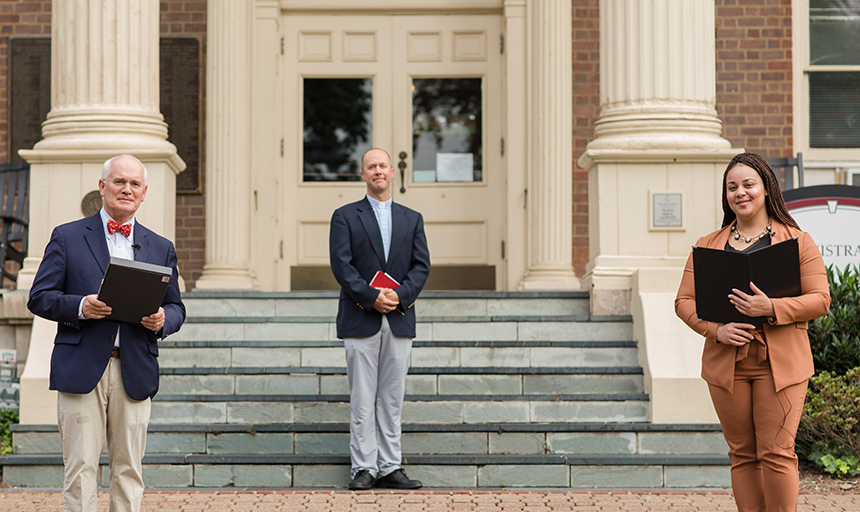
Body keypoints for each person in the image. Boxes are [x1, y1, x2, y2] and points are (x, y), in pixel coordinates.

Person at [28, 154, 186, 512]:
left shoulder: (161, 246)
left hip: (134, 368)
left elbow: (177, 308)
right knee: (80, 468)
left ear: (144, 193)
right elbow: (39, 298)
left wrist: (163, 319)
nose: (126, 189)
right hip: (82, 366)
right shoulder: (67, 236)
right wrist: (81, 307)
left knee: (129, 470)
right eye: (119, 182)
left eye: (134, 184)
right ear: (103, 187)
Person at [675, 152, 830, 512]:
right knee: (742, 455)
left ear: (766, 189)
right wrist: (717, 330)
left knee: (777, 452)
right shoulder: (707, 244)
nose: (740, 193)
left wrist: (771, 308)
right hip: (727, 366)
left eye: (748, 184)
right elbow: (683, 302)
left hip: (781, 367)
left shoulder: (797, 241)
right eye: (732, 187)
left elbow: (821, 300)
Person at [329, 148, 431, 490]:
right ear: (363, 175)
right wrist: (372, 297)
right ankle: (364, 468)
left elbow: (421, 266)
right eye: (370, 167)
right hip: (361, 316)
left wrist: (398, 296)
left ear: (392, 172)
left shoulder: (412, 218)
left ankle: (389, 466)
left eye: (382, 166)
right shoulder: (345, 216)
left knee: (391, 397)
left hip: (399, 316)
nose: (377, 171)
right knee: (362, 395)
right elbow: (342, 266)